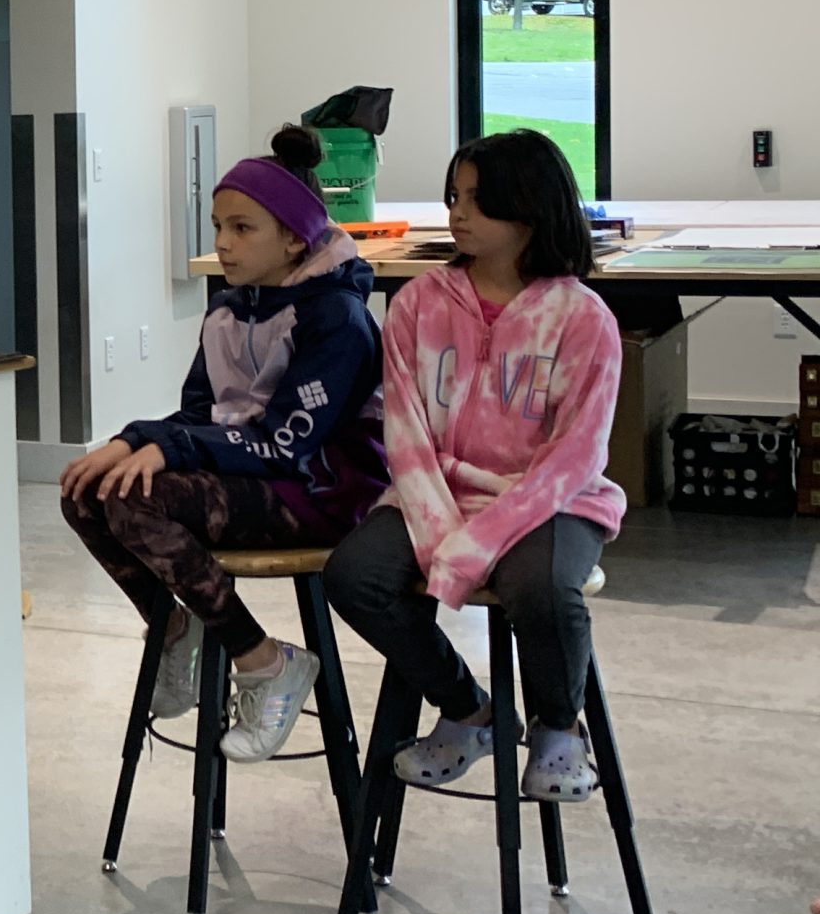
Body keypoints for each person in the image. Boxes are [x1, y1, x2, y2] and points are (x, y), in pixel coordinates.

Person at [61, 125, 387, 762]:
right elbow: (196, 415)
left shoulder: (337, 320)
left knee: (138, 501)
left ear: (295, 237)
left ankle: (266, 661)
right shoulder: (227, 311)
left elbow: (286, 441)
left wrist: (165, 448)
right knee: (86, 493)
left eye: (242, 228)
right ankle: (174, 626)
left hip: (318, 489)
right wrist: (135, 441)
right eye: (217, 226)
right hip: (254, 476)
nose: (222, 243)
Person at [324, 129, 625, 803]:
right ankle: (471, 709)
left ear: (530, 211)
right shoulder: (417, 304)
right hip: (431, 494)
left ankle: (556, 728)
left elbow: (577, 456)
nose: (458, 213)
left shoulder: (584, 320)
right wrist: (439, 537)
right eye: (454, 196)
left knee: (541, 590)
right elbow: (403, 433)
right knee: (354, 575)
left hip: (553, 501)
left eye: (478, 201)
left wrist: (479, 543)